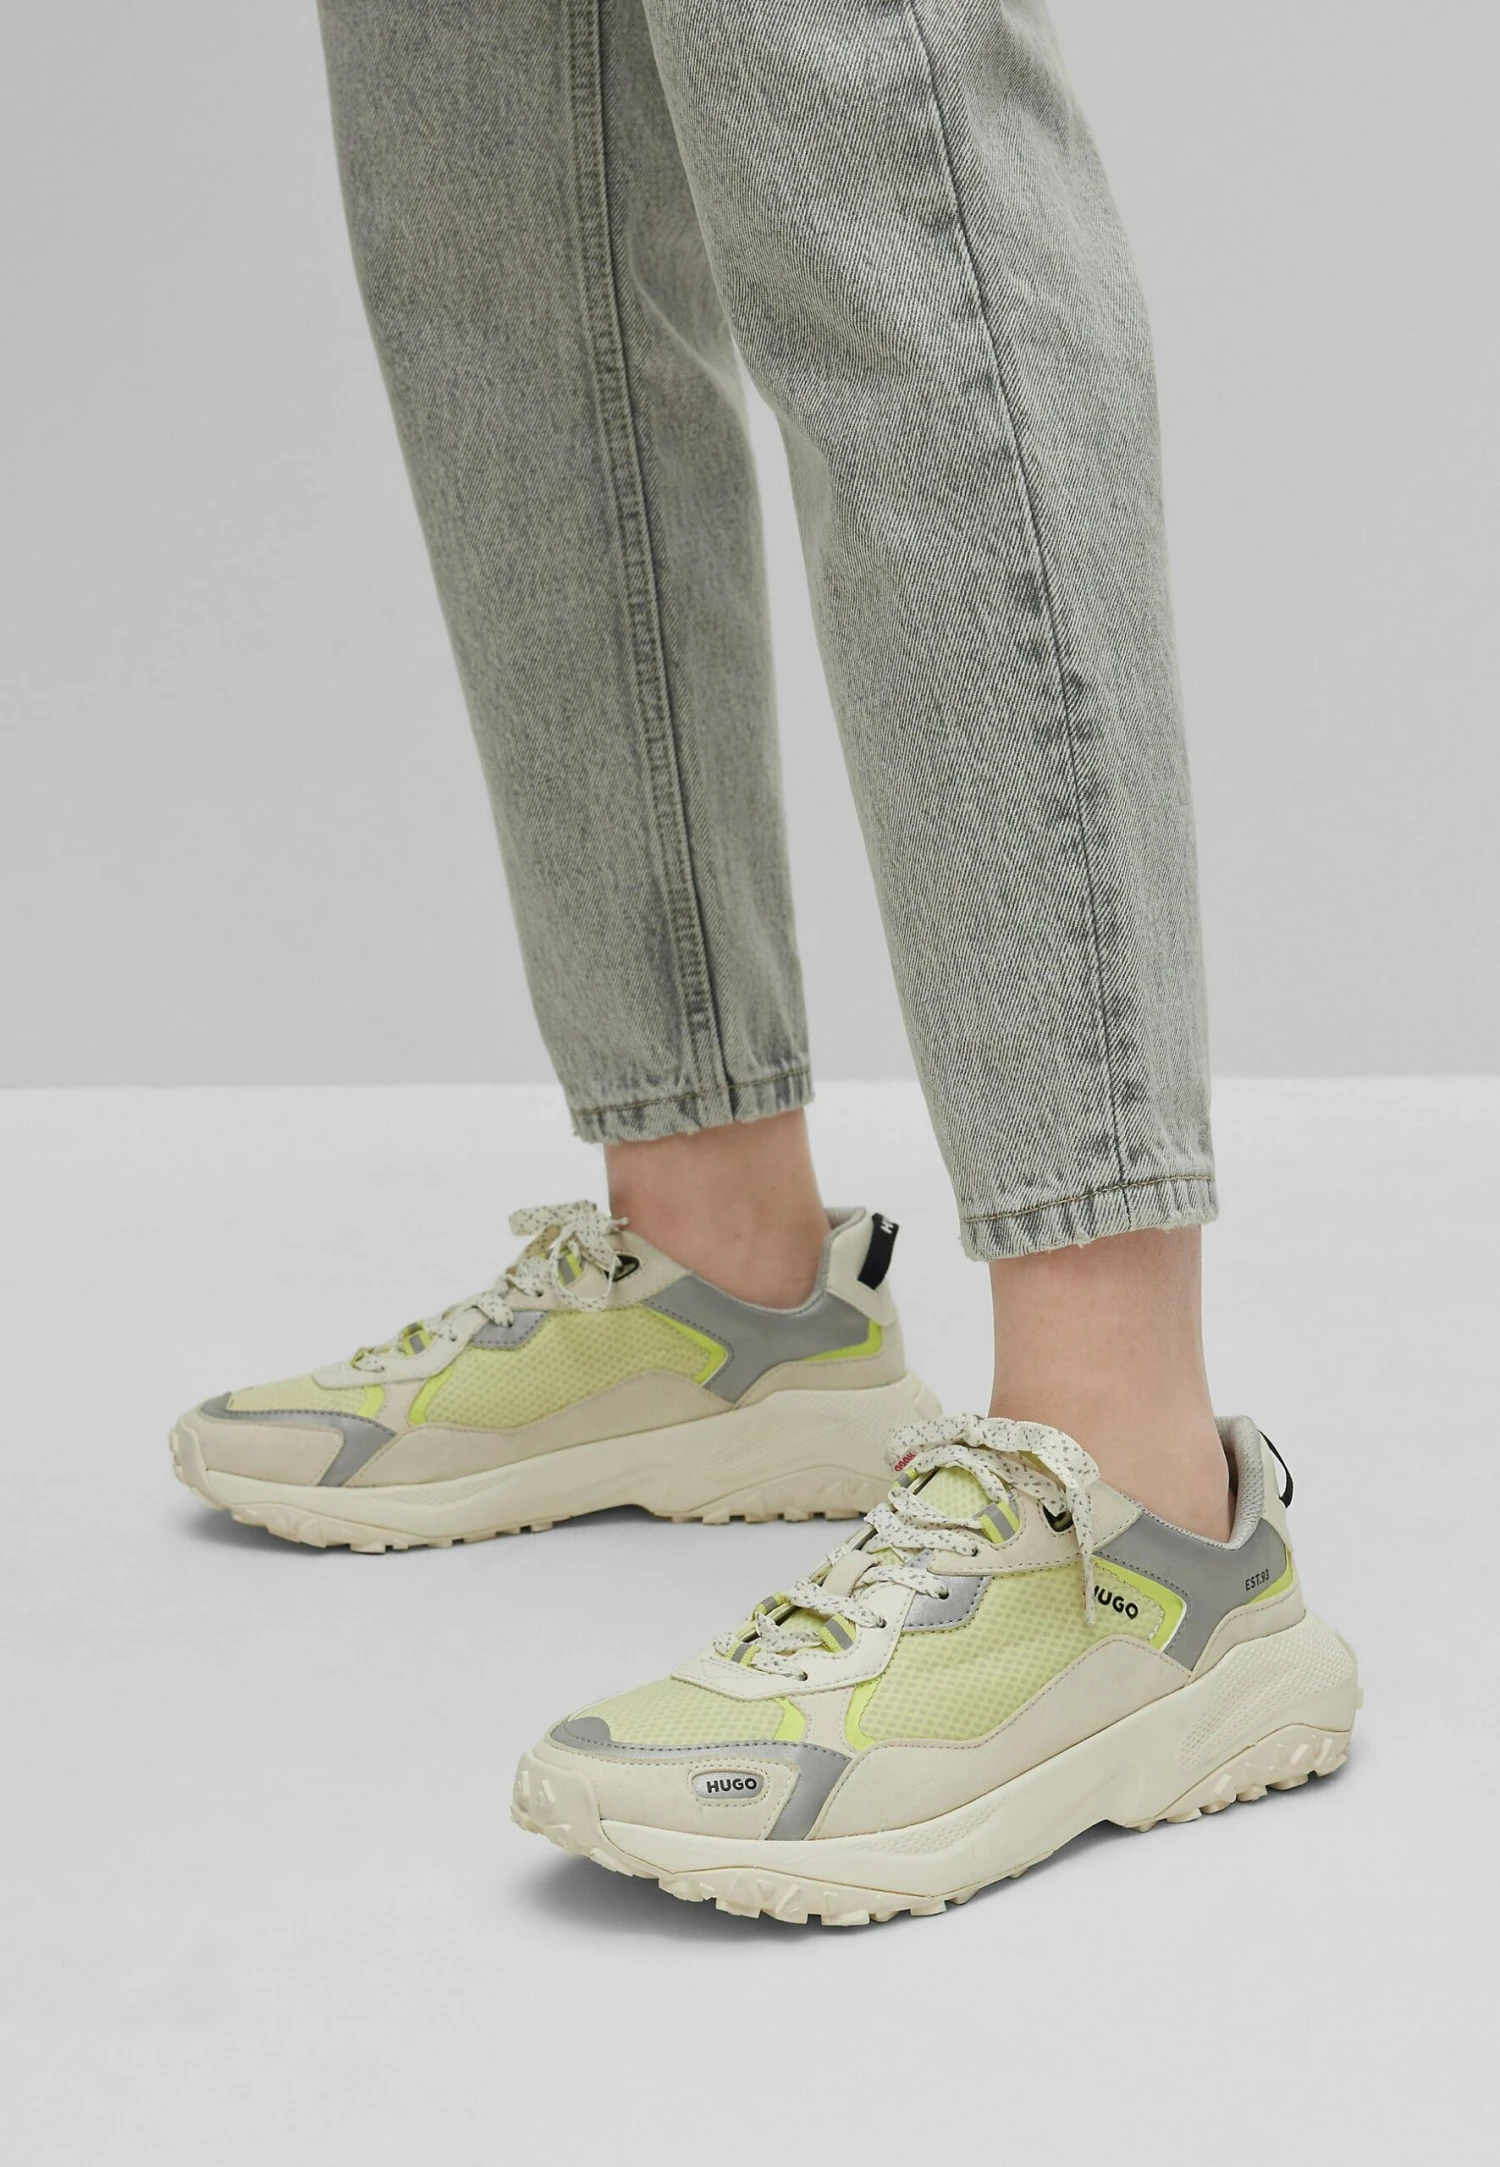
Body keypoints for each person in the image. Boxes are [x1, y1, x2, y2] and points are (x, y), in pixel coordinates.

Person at [171, 0, 1357, 1918]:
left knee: (878, 147)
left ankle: (1133, 1500)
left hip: (1140, 1530)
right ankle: (714, 1268)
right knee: (490, 210)